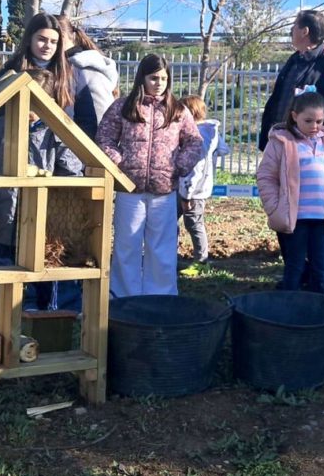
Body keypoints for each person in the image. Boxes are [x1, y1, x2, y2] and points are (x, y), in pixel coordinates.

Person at [0, 69, 83, 333]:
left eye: (38, 103)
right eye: (27, 102)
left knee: (47, 280)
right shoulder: (2, 127)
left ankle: (49, 337)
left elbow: (72, 170)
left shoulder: (58, 130)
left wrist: (62, 140)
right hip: (7, 220)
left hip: (46, 224)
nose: (31, 110)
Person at [96, 54, 204, 298]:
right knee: (126, 244)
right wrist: (119, 162)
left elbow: (194, 142)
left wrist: (180, 165)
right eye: (153, 78)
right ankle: (124, 296)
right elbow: (104, 138)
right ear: (142, 78)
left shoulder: (178, 110)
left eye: (164, 78)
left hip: (164, 191)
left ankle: (161, 296)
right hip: (128, 190)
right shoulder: (123, 107)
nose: (159, 83)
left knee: (162, 247)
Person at [257, 92, 324, 294]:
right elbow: (266, 176)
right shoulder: (281, 141)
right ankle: (290, 309)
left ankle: (320, 311)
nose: (314, 126)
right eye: (308, 121)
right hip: (295, 217)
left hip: (321, 218)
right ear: (294, 116)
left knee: (322, 267)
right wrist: (274, 206)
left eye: (319, 121)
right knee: (295, 266)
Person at [257, 9, 324, 151]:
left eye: (294, 26)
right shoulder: (295, 60)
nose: (291, 31)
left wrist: (310, 124)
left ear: (304, 31)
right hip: (281, 140)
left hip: (311, 147)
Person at [177, 95, 232, 267]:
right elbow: (224, 149)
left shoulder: (196, 136)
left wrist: (187, 195)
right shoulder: (212, 131)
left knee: (193, 223)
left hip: (192, 190)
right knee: (176, 221)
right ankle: (173, 255)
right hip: (198, 188)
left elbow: (193, 168)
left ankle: (201, 261)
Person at [55, 15, 119, 140]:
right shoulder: (64, 66)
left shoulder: (86, 69)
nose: (54, 44)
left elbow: (99, 114)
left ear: (72, 36)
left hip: (86, 147)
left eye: (59, 38)